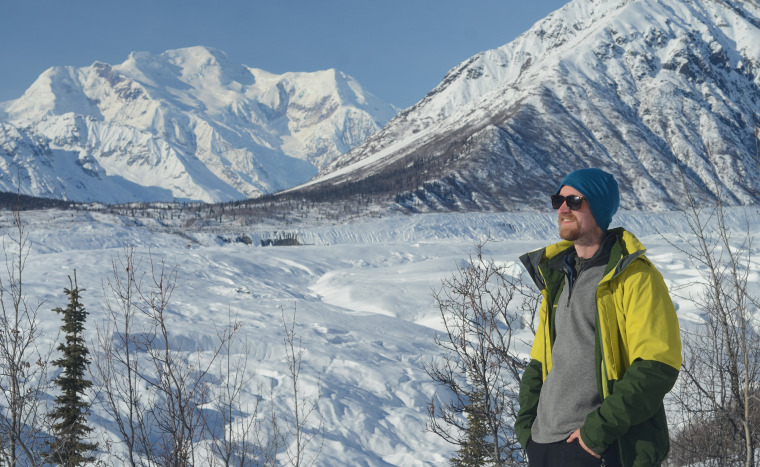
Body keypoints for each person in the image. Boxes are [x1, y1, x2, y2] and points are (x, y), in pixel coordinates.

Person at [514, 168, 682, 466]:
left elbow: (657, 367)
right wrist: (527, 430)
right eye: (558, 200)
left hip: (601, 449)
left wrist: (596, 435)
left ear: (600, 207)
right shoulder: (557, 278)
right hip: (544, 446)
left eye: (575, 201)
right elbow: (539, 363)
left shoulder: (635, 277)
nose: (563, 208)